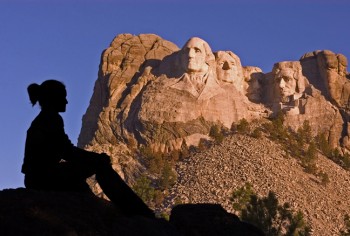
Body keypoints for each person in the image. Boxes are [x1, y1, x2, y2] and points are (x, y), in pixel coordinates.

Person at [22, 80, 154, 218]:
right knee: (101, 166)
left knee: (80, 183)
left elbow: (65, 150)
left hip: (37, 178)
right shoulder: (50, 119)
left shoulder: (45, 118)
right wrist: (98, 159)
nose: (66, 102)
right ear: (53, 99)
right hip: (43, 178)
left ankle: (100, 209)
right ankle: (137, 211)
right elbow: (68, 152)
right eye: (63, 97)